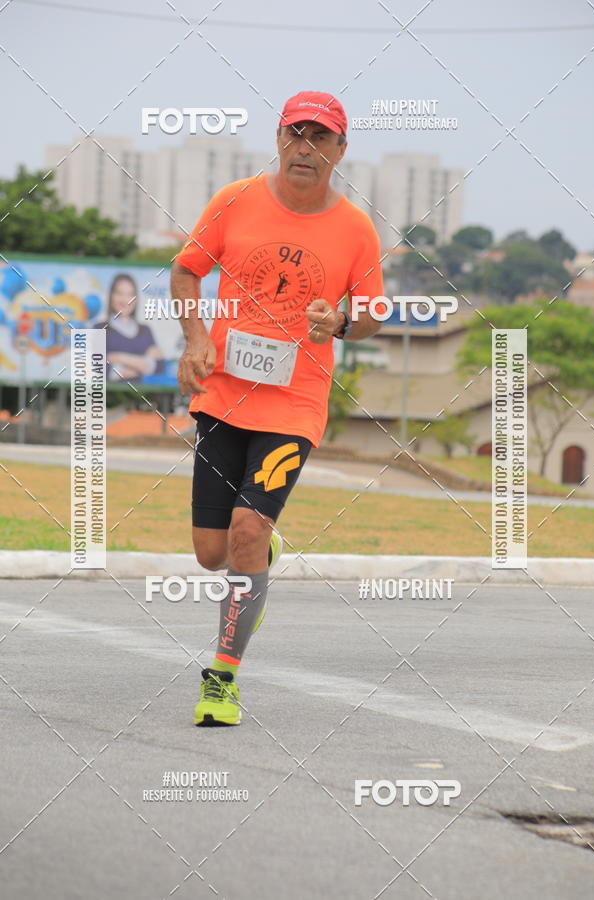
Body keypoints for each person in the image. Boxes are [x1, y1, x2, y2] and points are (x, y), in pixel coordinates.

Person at [171, 90, 384, 726]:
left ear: (341, 152)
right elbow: (186, 271)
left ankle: (222, 679)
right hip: (223, 398)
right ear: (278, 138)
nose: (306, 148)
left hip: (294, 407)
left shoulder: (355, 229)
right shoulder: (234, 200)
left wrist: (340, 322)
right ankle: (257, 557)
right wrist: (196, 338)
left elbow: (373, 314)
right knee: (212, 551)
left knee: (246, 532)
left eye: (321, 139)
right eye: (297, 134)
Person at [96, 273, 163, 382]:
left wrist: (119, 357)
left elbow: (159, 366)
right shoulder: (99, 329)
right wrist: (141, 363)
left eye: (130, 294)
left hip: (143, 395)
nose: (125, 299)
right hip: (109, 396)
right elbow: (95, 368)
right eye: (119, 293)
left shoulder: (145, 331)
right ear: (111, 296)